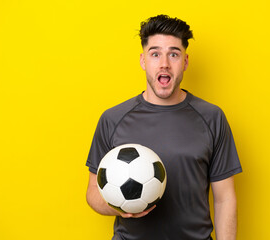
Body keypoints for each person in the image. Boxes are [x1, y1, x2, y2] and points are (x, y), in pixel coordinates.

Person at [86, 14, 242, 240]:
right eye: (155, 53)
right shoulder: (113, 119)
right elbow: (93, 192)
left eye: (174, 54)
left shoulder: (212, 117)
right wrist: (122, 206)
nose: (164, 64)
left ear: (185, 61)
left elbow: (225, 198)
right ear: (143, 60)